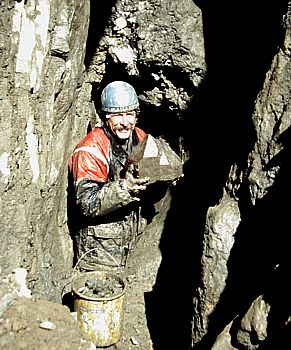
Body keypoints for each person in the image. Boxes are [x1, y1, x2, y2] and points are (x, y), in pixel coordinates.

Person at [68, 81, 151, 272]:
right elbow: (86, 203)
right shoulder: (90, 150)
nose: (125, 122)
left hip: (132, 242)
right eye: (117, 115)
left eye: (130, 114)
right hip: (99, 252)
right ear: (105, 117)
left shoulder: (139, 136)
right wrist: (125, 188)